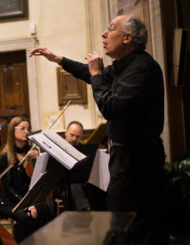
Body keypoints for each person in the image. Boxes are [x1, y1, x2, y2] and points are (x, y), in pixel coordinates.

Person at [30, 14, 166, 244]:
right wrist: (57, 59)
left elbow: (111, 107)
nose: (104, 33)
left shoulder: (142, 68)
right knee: (124, 219)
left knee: (133, 223)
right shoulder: (124, 66)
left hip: (138, 158)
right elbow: (90, 73)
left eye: (111, 29)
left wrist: (96, 74)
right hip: (126, 155)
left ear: (127, 37)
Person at [0, 116, 38, 242]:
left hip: (27, 198)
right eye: (22, 128)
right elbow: (9, 187)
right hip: (9, 201)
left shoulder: (31, 153)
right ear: (12, 131)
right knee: (25, 217)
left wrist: (36, 160)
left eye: (28, 128)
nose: (26, 131)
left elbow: (36, 178)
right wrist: (26, 204)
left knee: (45, 209)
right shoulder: (5, 156)